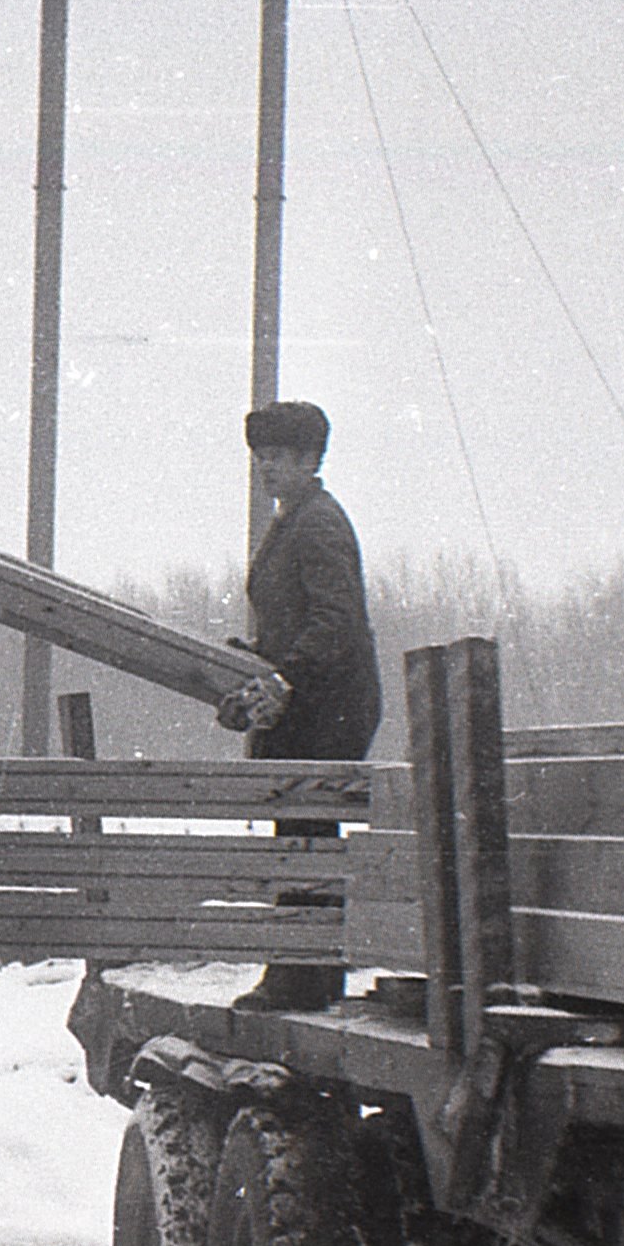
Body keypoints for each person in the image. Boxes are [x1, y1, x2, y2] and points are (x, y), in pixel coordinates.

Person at [236, 400, 383, 1011]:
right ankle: (304, 973)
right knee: (299, 830)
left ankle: (303, 977)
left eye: (281, 457)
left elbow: (335, 621)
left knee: (306, 833)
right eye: (262, 457)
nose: (268, 468)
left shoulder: (317, 522)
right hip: (309, 700)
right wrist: (251, 666)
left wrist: (284, 676)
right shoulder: (293, 519)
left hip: (329, 706)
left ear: (310, 460)